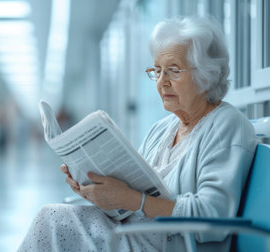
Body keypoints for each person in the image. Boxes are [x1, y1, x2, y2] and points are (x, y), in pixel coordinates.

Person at [18, 16, 257, 252]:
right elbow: (128, 198)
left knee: (52, 221)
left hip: (170, 244)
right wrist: (93, 188)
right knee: (54, 220)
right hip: (135, 233)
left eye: (173, 71)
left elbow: (211, 216)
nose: (162, 82)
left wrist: (133, 200)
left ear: (206, 74)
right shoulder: (163, 129)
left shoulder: (228, 124)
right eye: (157, 71)